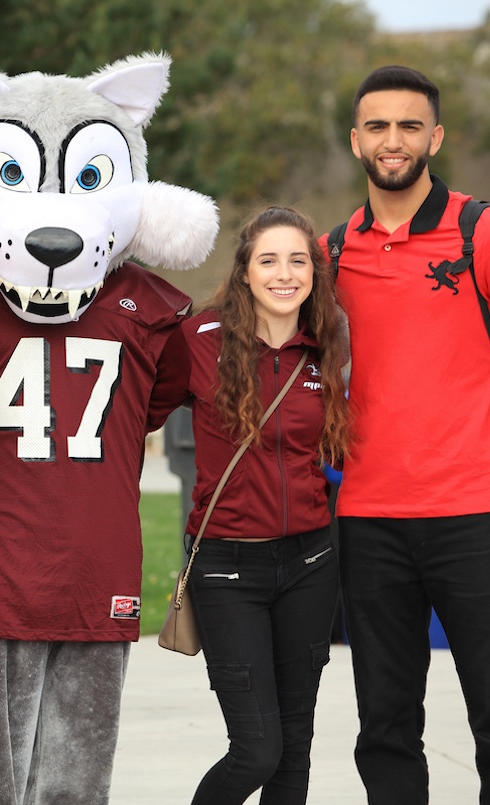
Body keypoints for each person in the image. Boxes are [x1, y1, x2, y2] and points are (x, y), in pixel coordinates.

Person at [323, 65, 490, 805]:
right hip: (369, 520)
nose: (395, 141)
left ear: (436, 137)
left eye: (411, 126)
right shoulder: (328, 255)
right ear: (357, 140)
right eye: (380, 127)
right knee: (385, 723)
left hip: (475, 514)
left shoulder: (478, 232)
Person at [178, 206, 349, 804]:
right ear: (245, 271)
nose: (284, 274)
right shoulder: (197, 342)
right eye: (268, 260)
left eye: (298, 260)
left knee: (293, 747)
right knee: (256, 748)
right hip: (227, 569)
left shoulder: (325, 347)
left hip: (311, 564)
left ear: (314, 273)